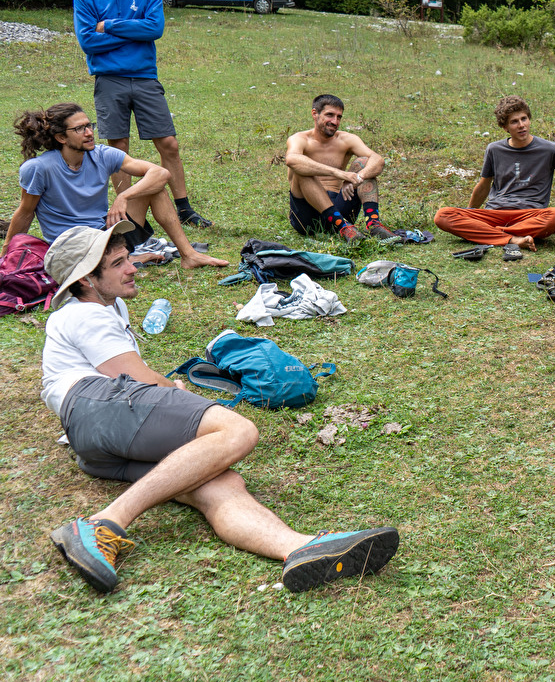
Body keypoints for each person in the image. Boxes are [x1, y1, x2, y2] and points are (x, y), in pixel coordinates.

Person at [41, 223, 400, 594]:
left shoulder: (104, 306)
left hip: (96, 442)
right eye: (118, 263)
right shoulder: (85, 313)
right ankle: (104, 522)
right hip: (97, 406)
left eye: (128, 258)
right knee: (238, 431)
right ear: (85, 280)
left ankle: (298, 547)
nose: (132, 267)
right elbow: (136, 378)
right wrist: (174, 393)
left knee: (218, 481)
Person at [73, 0, 211, 227]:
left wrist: (108, 25)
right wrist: (133, 31)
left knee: (169, 144)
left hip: (146, 78)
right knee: (117, 149)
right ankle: (129, 213)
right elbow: (87, 42)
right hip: (109, 80)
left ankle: (184, 208)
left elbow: (154, 30)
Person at [2, 103, 227, 269]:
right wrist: (6, 255)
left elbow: (160, 173)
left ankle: (188, 255)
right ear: (61, 138)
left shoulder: (102, 154)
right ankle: (125, 259)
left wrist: (124, 197)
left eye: (89, 125)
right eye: (79, 129)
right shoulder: (38, 168)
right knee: (95, 264)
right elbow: (25, 212)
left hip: (106, 233)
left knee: (155, 187)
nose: (90, 132)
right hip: (72, 245)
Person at [434, 95, 555, 250]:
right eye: (514, 121)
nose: (521, 125)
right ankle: (513, 239)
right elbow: (484, 184)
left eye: (524, 119)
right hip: (495, 212)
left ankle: (492, 234)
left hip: (530, 215)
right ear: (505, 127)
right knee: (442, 215)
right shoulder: (494, 149)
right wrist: (470, 214)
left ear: (529, 119)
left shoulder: (551, 149)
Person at [284, 94, 397, 243]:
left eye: (339, 117)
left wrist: (357, 178)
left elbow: (377, 160)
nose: (334, 121)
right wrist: (340, 174)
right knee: (302, 169)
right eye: (329, 115)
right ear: (314, 114)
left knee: (364, 161)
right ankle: (342, 226)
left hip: (339, 207)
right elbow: (292, 159)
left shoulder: (347, 139)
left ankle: (373, 224)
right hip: (307, 218)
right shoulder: (299, 139)